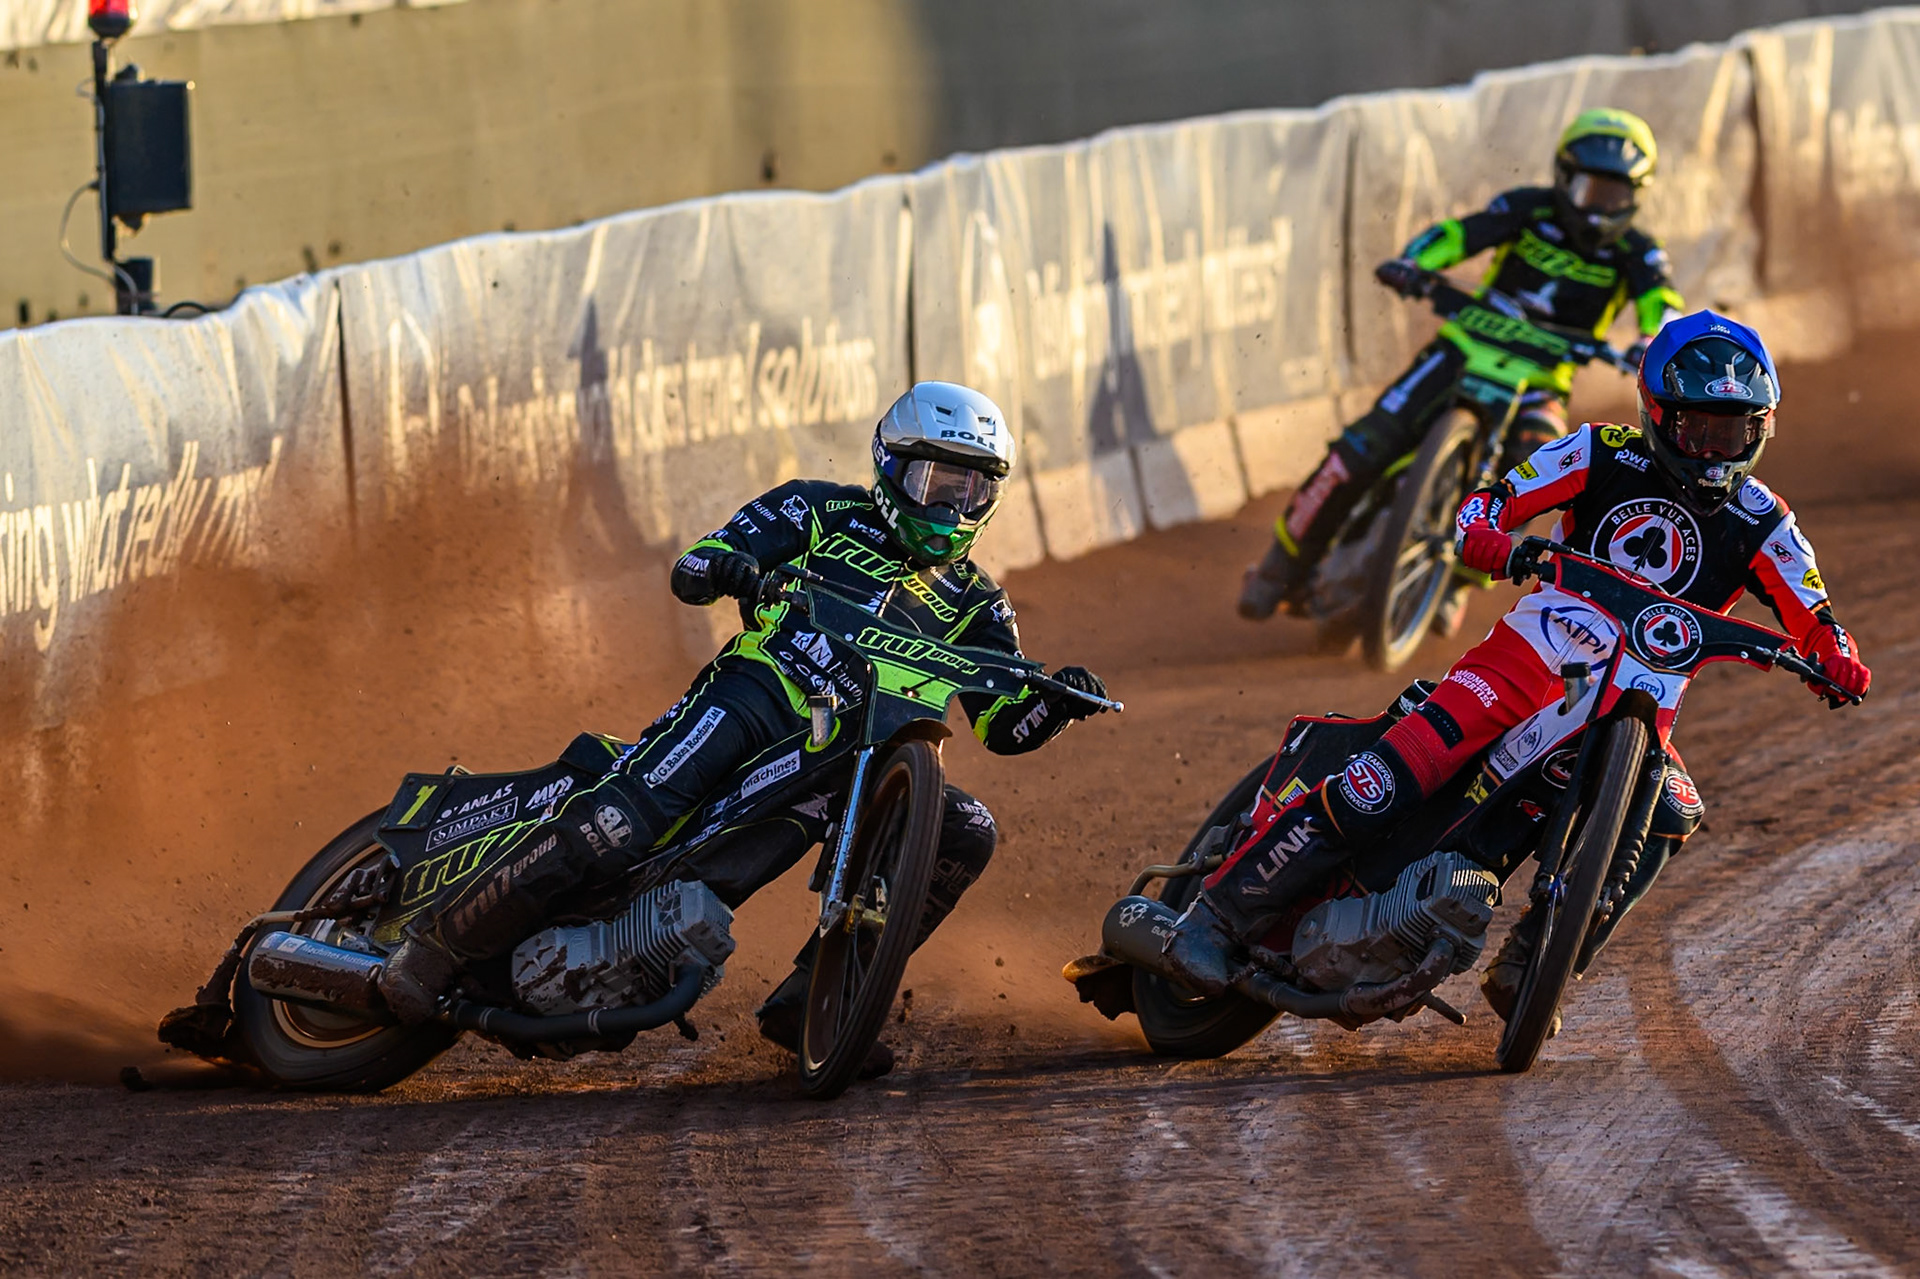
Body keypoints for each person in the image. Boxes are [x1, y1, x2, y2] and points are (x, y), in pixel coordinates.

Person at [377, 381, 1108, 1075]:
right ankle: (435, 947)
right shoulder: (819, 510)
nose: (951, 505)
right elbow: (697, 563)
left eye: (972, 488)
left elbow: (1006, 723)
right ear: (891, 469)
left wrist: (1060, 698)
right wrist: (736, 570)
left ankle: (816, 1000)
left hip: (855, 757)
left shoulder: (981, 604)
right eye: (937, 483)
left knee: (969, 826)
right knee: (619, 822)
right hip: (758, 693)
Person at [1164, 311, 1871, 1016]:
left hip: (1640, 702)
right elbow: (1485, 508)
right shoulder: (1598, 451)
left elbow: (1820, 616)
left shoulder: (1765, 518)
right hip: (1528, 657)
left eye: (1736, 431)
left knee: (1673, 809)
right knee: (1387, 778)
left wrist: (1837, 659)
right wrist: (1495, 542)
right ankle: (1215, 915)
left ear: (1761, 429)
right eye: (1700, 429)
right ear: (1659, 413)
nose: (1717, 450)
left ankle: (1534, 960)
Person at [1239, 107, 1686, 622]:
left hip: (1540, 381)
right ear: (1564, 177)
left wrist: (1651, 339)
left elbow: (1662, 301)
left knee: (1532, 476)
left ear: (1638, 195)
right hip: (1460, 350)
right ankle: (1279, 567)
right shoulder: (1527, 208)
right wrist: (1415, 263)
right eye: (1591, 190)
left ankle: (1459, 582)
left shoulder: (1639, 252)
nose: (1599, 208)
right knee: (1362, 449)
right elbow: (1459, 233)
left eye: (1616, 195)